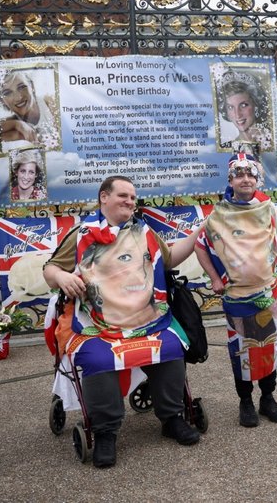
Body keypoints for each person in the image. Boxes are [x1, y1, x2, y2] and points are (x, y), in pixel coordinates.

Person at [43, 175, 205, 468]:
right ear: (103, 197)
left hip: (147, 319)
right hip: (98, 323)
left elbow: (168, 261)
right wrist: (62, 276)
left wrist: (200, 233)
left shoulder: (145, 232)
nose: (130, 201)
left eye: (133, 197)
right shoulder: (82, 234)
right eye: (123, 196)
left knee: (169, 346)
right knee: (97, 357)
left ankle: (171, 418)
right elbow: (50, 268)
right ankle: (105, 432)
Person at [194, 154, 277, 428]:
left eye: (251, 174)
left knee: (269, 346)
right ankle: (245, 401)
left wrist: (275, 256)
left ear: (257, 179)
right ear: (230, 180)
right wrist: (216, 278)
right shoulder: (218, 216)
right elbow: (200, 246)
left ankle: (268, 398)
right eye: (239, 174)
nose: (246, 179)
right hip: (237, 296)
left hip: (268, 292)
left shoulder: (270, 209)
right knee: (241, 349)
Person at [0, 69, 59, 151]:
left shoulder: (50, 101)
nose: (18, 97)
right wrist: (17, 124)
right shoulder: (12, 126)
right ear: (2, 101)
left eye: (21, 87)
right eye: (7, 93)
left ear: (32, 86)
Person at [217, 75, 272, 151]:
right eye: (230, 107)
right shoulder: (226, 147)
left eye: (243, 105)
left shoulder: (273, 142)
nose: (238, 114)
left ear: (255, 104)